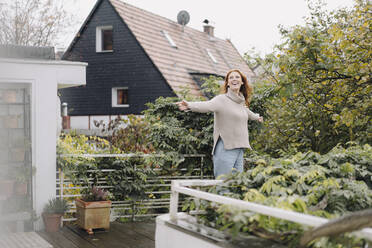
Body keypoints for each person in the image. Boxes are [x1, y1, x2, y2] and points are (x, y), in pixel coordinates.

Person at [177, 69, 263, 178]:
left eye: (237, 77)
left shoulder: (240, 102)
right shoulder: (222, 100)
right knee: (223, 184)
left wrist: (257, 117)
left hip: (239, 148)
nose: (234, 79)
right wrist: (189, 105)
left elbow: (248, 113)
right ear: (227, 83)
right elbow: (206, 105)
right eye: (231, 78)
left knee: (237, 185)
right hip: (225, 148)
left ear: (242, 82)